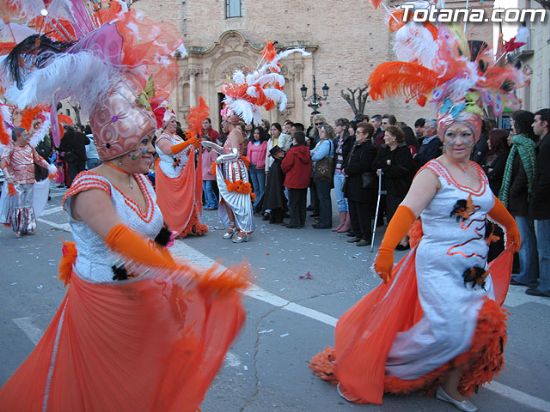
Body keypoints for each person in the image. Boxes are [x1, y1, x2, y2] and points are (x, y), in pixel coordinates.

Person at [499, 111, 538, 289]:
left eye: (513, 122)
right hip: (518, 199)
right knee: (522, 237)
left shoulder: (524, 145)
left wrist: (512, 191)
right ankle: (526, 272)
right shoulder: (518, 144)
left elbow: (525, 173)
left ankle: (527, 274)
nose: (511, 126)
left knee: (525, 238)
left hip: (521, 200)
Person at [155, 113, 207, 238]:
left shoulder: (177, 137)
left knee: (187, 198)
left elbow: (186, 150)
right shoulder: (162, 138)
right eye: (171, 121)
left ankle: (189, 225)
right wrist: (188, 142)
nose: (174, 123)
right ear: (165, 124)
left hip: (182, 171)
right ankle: (174, 226)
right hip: (169, 173)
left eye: (175, 121)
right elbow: (169, 150)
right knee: (174, 201)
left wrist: (195, 145)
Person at [0, 128, 56, 237]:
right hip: (17, 182)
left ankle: (29, 227)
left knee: (28, 205)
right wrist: (7, 176)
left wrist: (49, 166)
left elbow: (38, 159)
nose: (28, 136)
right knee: (18, 205)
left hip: (30, 180)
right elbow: (3, 162)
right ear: (18, 136)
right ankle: (19, 228)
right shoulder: (10, 147)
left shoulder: (29, 146)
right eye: (25, 135)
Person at [374, 125, 416, 249]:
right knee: (391, 214)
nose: (385, 138)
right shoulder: (384, 149)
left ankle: (404, 240)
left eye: (387, 136)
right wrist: (387, 165)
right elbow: (376, 163)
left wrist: (386, 167)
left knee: (400, 214)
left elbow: (402, 169)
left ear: (394, 138)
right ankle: (396, 238)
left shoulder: (403, 150)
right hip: (389, 186)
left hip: (401, 186)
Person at [215, 115, 255, 243]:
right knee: (228, 198)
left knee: (239, 200)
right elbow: (225, 151)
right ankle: (234, 225)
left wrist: (220, 159)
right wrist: (212, 146)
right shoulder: (232, 133)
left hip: (236, 169)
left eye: (223, 123)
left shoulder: (234, 133)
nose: (222, 126)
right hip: (229, 168)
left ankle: (244, 230)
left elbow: (235, 154)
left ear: (229, 122)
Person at [342, 122, 377, 246]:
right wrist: (345, 167)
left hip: (362, 183)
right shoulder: (355, 145)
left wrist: (348, 169)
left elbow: (364, 165)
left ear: (366, 134)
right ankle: (357, 233)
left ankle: (365, 236)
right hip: (352, 181)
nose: (356, 134)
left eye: (358, 132)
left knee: (363, 212)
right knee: (353, 209)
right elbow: (348, 159)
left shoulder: (370, 148)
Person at [529, 108, 550, 297]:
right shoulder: (542, 144)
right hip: (544, 203)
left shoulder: (546, 145)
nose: (533, 124)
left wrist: (535, 197)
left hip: (545, 205)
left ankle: (546, 284)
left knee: (544, 247)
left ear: (545, 124)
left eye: (536, 121)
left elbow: (545, 177)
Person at [281, 131, 311, 228]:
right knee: (302, 201)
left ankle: (294, 222)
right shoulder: (307, 150)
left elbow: (286, 165)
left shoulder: (293, 151)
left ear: (295, 140)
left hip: (293, 179)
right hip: (304, 179)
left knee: (293, 202)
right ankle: (301, 220)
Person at [311, 124, 335, 229]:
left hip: (323, 172)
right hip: (319, 172)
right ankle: (323, 218)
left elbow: (316, 156)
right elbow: (312, 152)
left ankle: (326, 221)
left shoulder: (326, 143)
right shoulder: (320, 142)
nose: (320, 133)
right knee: (322, 197)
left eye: (323, 131)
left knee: (324, 197)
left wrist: (313, 154)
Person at [332, 118, 354, 233]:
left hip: (344, 171)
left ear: (344, 127)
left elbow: (349, 155)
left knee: (346, 198)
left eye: (337, 125)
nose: (335, 127)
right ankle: (342, 222)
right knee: (339, 198)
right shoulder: (336, 140)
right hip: (336, 171)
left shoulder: (349, 140)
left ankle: (348, 223)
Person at [262, 145, 287, 224]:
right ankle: (277, 219)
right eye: (279, 152)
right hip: (277, 186)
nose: (282, 153)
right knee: (278, 200)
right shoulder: (277, 164)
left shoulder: (276, 163)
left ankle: (274, 218)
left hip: (276, 186)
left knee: (276, 200)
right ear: (275, 155)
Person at [247, 126, 268, 213]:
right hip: (252, 167)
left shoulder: (265, 144)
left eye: (258, 133)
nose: (256, 135)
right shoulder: (250, 143)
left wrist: (262, 164)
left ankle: (257, 206)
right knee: (256, 188)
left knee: (262, 188)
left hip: (260, 168)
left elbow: (266, 156)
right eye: (254, 133)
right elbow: (248, 154)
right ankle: (257, 204)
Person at [202, 136, 219, 210]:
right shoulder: (203, 152)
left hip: (209, 174)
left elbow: (214, 162)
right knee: (205, 189)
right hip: (203, 174)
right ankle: (208, 203)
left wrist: (210, 170)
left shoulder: (213, 151)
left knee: (209, 189)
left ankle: (213, 204)